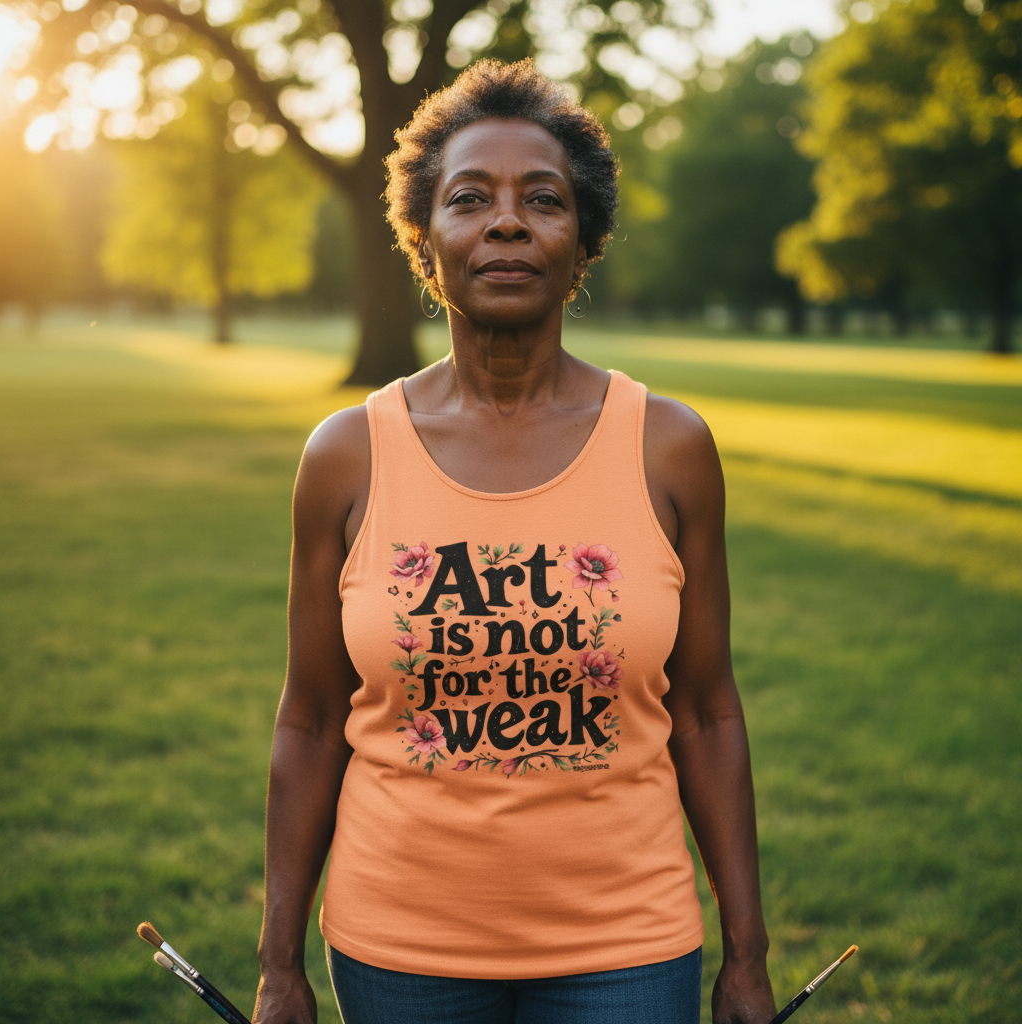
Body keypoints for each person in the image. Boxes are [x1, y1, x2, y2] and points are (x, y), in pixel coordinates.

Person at [252, 60, 776, 1024]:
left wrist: (747, 954)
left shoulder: (671, 447)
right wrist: (278, 963)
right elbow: (312, 718)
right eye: (468, 199)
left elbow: (706, 711)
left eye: (543, 200)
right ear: (425, 241)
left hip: (629, 950)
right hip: (400, 951)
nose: (506, 222)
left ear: (583, 246)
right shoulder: (346, 455)